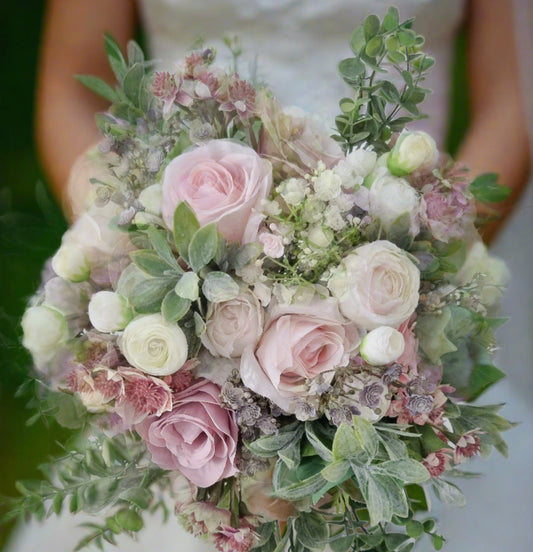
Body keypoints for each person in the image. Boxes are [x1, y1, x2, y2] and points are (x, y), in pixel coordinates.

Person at [6, 1, 532, 551]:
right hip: (179, 272)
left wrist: (418, 264)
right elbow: (73, 81)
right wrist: (129, 241)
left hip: (401, 288)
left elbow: (512, 100)